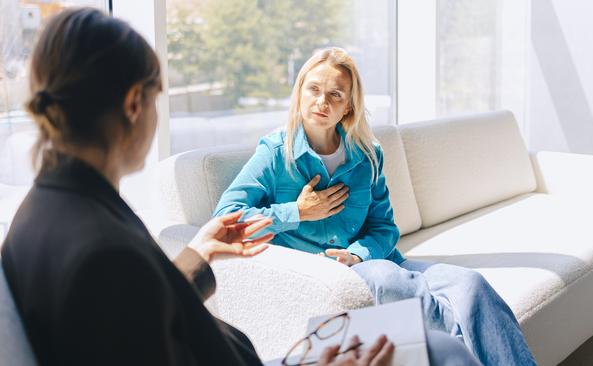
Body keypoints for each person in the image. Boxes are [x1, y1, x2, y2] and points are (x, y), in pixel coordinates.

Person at [0, 8, 405, 366]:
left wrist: (198, 255)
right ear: (134, 104)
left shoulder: (52, 211)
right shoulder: (101, 251)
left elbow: (140, 312)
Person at [214, 47, 537, 366]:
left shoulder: (367, 156)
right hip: (325, 273)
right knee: (385, 278)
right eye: (313, 89)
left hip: (371, 259)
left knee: (470, 284)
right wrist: (296, 212)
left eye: (335, 95)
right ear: (299, 93)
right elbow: (225, 218)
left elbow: (384, 228)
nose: (321, 102)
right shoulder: (274, 153)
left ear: (348, 108)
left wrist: (358, 254)